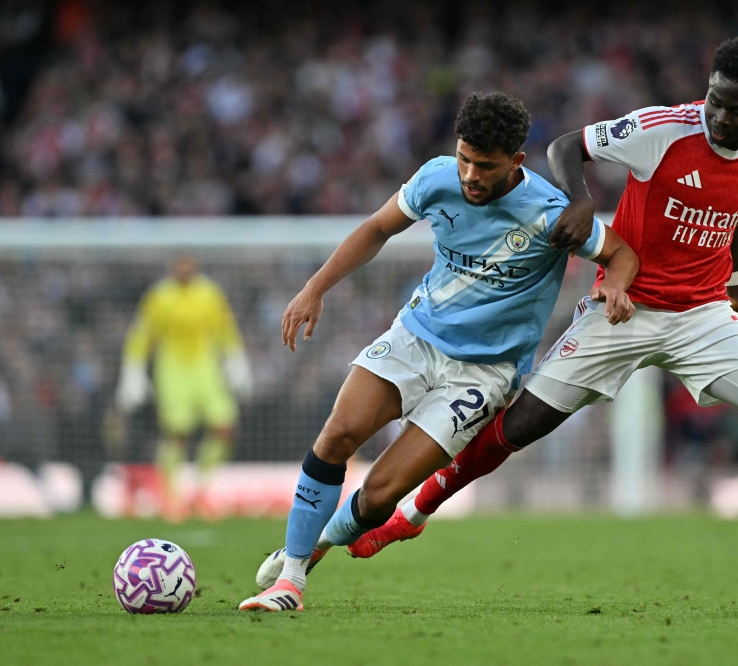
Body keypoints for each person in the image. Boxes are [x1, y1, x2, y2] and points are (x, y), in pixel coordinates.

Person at [308, 38, 738, 605]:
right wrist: (583, 201)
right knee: (516, 427)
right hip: (623, 306)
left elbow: (727, 219)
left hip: (704, 313)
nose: (721, 115)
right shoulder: (662, 129)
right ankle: (412, 513)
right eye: (715, 100)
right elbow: (568, 145)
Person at [239, 92, 639, 612]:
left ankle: (315, 546)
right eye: (464, 158)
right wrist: (315, 288)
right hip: (416, 336)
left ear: (516, 162)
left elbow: (621, 252)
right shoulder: (436, 178)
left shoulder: (548, 212)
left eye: (485, 166)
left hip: (483, 374)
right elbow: (377, 227)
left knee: (381, 495)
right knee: (338, 433)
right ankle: (290, 580)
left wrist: (617, 286)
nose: (470, 175)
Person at [116, 256, 253, 520]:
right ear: (173, 267)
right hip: (172, 371)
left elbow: (225, 328)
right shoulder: (160, 297)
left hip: (206, 369)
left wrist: (236, 360)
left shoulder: (209, 294)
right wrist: (133, 370)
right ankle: (171, 499)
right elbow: (142, 334)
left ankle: (200, 491)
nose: (184, 267)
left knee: (225, 428)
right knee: (176, 435)